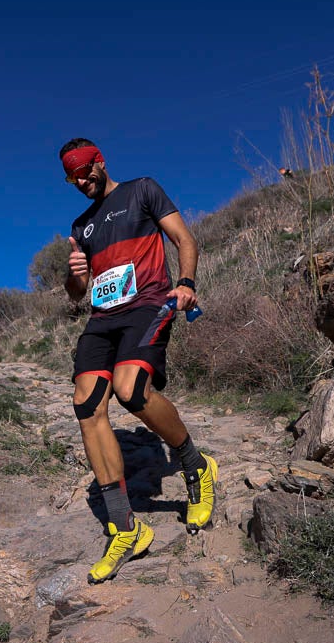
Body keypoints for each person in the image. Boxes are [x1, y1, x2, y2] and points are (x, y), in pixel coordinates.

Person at [59, 138, 217, 584]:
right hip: (102, 318)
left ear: (99, 162)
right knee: (86, 406)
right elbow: (77, 295)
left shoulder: (143, 189)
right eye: (73, 179)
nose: (81, 182)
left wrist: (185, 282)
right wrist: (74, 278)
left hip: (148, 304)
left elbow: (184, 238)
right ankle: (126, 529)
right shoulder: (81, 225)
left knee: (131, 390)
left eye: (85, 173)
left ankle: (195, 465)